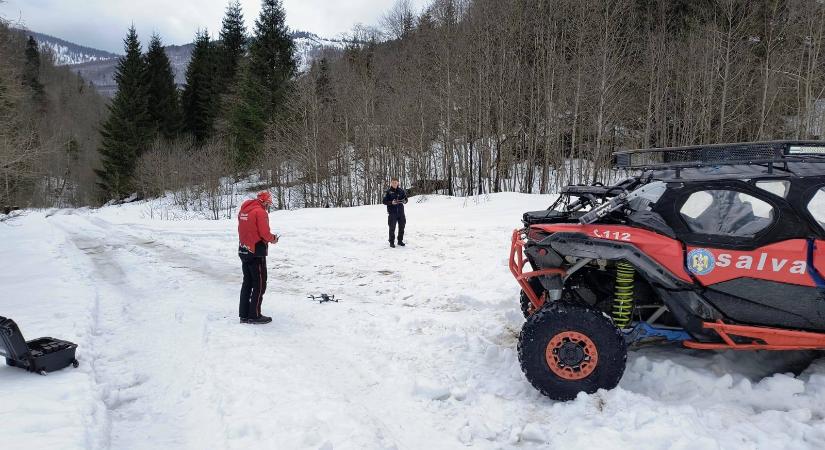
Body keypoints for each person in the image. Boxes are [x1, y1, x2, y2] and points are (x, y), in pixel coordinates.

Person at [237, 191, 279, 324]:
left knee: (247, 283)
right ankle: (254, 315)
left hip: (244, 249)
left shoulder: (244, 210)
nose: (268, 206)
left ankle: (244, 314)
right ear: (264, 201)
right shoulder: (260, 212)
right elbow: (265, 233)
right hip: (256, 252)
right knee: (260, 284)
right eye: (268, 203)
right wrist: (273, 239)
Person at [382, 177, 408, 248]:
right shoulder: (388, 191)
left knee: (402, 227)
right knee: (392, 228)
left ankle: (400, 241)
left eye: (396, 182)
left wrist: (405, 201)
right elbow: (384, 201)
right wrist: (391, 202)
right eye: (393, 182)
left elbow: (406, 199)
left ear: (398, 183)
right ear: (391, 183)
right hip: (392, 213)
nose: (394, 184)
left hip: (401, 213)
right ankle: (391, 242)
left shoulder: (401, 191)